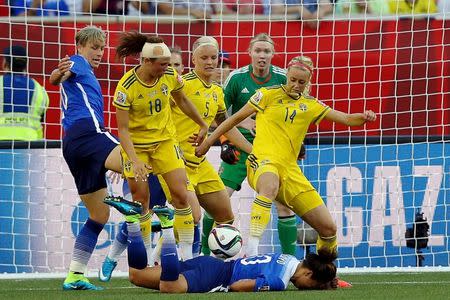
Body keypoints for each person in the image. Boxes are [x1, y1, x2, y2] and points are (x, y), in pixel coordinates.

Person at [196, 55, 377, 258]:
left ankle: (324, 273)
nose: (296, 85)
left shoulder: (311, 105)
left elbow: (345, 118)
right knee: (268, 184)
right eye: (292, 80)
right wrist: (207, 142)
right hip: (261, 163)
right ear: (287, 76)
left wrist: (364, 117)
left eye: (301, 82)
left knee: (328, 229)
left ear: (308, 82)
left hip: (290, 171)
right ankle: (252, 254)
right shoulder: (266, 95)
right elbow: (233, 119)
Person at [104, 198, 338, 293]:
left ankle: (133, 220)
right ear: (308, 272)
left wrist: (331, 281)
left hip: (209, 263)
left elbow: (321, 270)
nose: (308, 288)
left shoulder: (289, 259)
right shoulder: (278, 282)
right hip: (215, 278)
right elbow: (237, 286)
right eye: (313, 284)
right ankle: (166, 225)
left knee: (136, 275)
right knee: (169, 287)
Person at [112, 31, 208, 262]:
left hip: (165, 142)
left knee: (181, 196)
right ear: (146, 62)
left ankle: (186, 258)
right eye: (162, 64)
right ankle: (143, 259)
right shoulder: (126, 88)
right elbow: (123, 130)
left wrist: (202, 124)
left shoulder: (169, 76)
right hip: (137, 147)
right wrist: (135, 161)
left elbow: (182, 100)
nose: (167, 68)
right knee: (141, 202)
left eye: (168, 64)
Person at [204, 33, 298, 257]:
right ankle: (202, 255)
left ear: (273, 54)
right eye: (258, 51)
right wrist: (226, 141)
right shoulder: (236, 78)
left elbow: (295, 112)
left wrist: (295, 141)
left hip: (271, 151)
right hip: (239, 148)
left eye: (266, 51)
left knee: (284, 205)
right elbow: (220, 114)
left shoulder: (284, 78)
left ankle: (290, 261)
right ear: (250, 53)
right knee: (216, 200)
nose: (262, 56)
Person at [49, 26, 122, 290]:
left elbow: (60, 78)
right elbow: (59, 75)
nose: (100, 52)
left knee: (99, 213)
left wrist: (58, 76)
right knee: (139, 162)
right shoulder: (77, 62)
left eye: (102, 48)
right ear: (80, 46)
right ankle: (132, 215)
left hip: (72, 145)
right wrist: (58, 74)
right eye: (94, 47)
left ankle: (75, 275)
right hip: (88, 134)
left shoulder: (86, 71)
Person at [0, 45, 49, 141]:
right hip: (30, 146)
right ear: (25, 65)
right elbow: (41, 118)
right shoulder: (39, 89)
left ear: (5, 63)